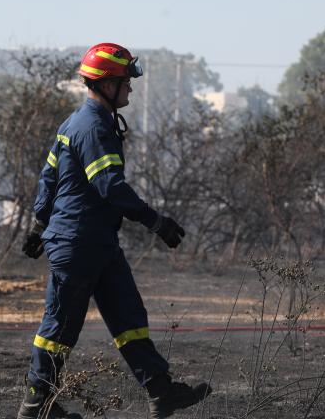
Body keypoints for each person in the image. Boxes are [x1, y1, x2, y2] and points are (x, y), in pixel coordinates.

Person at [17, 42, 211, 419]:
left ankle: (161, 390)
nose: (131, 89)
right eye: (126, 82)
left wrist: (39, 224)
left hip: (96, 241)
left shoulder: (77, 122)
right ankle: (36, 405)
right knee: (60, 327)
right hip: (78, 242)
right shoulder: (93, 127)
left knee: (128, 316)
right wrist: (156, 221)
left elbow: (49, 178)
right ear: (107, 84)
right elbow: (109, 185)